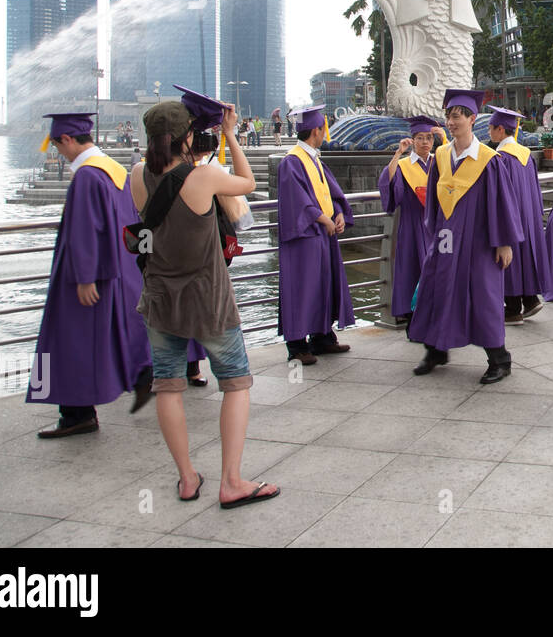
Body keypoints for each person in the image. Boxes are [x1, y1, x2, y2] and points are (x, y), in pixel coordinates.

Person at [131, 96, 278, 507]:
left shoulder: (137, 174)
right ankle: (231, 481)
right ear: (188, 137)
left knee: (168, 386)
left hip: (159, 300)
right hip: (208, 299)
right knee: (235, 382)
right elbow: (248, 183)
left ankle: (187, 478)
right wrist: (231, 133)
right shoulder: (204, 177)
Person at [26, 112, 153, 438]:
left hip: (83, 278)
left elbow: (84, 230)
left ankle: (76, 414)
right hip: (116, 271)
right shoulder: (114, 170)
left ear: (67, 140)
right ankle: (140, 370)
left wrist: (83, 277)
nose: (58, 152)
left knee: (67, 343)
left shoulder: (85, 176)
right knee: (103, 336)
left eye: (57, 145)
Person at [407, 89, 523, 383]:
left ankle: (500, 360)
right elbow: (433, 201)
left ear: (472, 119)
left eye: (456, 116)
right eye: (447, 116)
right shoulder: (441, 155)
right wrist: (433, 232)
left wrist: (504, 243)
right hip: (446, 239)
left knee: (483, 298)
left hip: (479, 242)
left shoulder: (489, 159)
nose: (451, 121)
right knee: (437, 291)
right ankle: (435, 350)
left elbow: (502, 203)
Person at [277, 105, 355, 365]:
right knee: (302, 288)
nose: (325, 133)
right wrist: (324, 219)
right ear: (315, 130)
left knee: (322, 285)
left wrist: (340, 213)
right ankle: (297, 346)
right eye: (324, 128)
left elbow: (331, 192)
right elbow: (296, 201)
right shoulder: (292, 161)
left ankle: (321, 338)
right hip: (304, 237)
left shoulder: (313, 158)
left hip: (321, 234)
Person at [488, 106, 553, 324]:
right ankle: (531, 299)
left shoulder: (500, 158)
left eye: (491, 128)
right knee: (525, 256)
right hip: (529, 215)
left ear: (500, 130)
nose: (489, 132)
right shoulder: (526, 155)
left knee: (508, 258)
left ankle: (513, 308)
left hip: (511, 215)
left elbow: (497, 194)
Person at [378, 116, 442, 325]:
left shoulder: (439, 161)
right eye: (420, 138)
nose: (425, 142)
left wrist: (445, 138)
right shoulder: (404, 165)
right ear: (412, 140)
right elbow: (388, 184)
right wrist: (398, 153)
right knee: (412, 268)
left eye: (429, 138)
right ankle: (413, 316)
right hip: (412, 225)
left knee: (437, 269)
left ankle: (436, 313)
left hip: (435, 225)